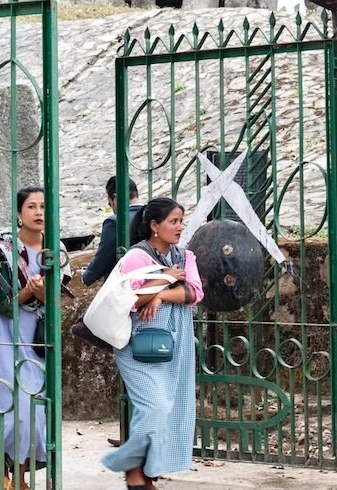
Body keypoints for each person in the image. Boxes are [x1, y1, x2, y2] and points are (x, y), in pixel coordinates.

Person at [101, 197, 204, 490]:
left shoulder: (186, 257)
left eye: (181, 221)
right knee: (155, 407)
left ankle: (142, 475)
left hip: (177, 340)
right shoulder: (136, 257)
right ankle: (126, 464)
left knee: (173, 409)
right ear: (154, 226)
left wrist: (159, 293)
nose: (180, 227)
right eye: (173, 221)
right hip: (137, 343)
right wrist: (166, 279)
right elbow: (130, 298)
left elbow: (194, 293)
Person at [0, 185, 72, 490]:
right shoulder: (2, 251)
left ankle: (18, 476)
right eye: (32, 207)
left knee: (34, 411)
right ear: (19, 215)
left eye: (43, 207)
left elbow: (60, 300)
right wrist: (29, 292)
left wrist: (44, 295)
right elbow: (5, 305)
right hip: (7, 338)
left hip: (39, 341)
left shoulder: (57, 251)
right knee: (10, 406)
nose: (39, 213)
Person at [79, 175, 144, 286]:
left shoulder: (115, 222)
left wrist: (86, 275)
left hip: (125, 285)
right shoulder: (151, 214)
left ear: (115, 198)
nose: (112, 210)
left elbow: (102, 259)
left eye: (110, 204)